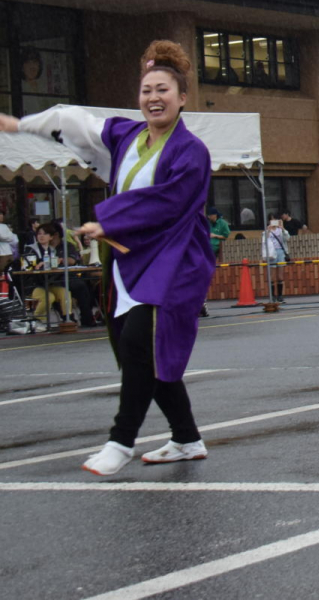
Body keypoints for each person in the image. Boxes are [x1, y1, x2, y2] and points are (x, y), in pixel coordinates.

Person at [0, 39, 216, 475]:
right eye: (146, 90)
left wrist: (111, 221)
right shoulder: (127, 135)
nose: (153, 98)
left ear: (182, 97)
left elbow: (170, 201)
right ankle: (186, 437)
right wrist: (22, 125)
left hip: (174, 261)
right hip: (130, 258)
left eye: (163, 90)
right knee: (142, 349)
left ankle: (121, 441)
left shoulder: (191, 151)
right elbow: (73, 121)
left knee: (141, 344)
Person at [23, 220, 96, 329]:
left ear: (52, 236)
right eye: (39, 234)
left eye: (45, 234)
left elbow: (70, 260)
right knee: (50, 296)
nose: (41, 236)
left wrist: (57, 261)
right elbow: (28, 266)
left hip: (55, 280)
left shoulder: (55, 249)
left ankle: (69, 317)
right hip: (38, 283)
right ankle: (37, 320)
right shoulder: (31, 249)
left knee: (65, 292)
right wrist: (39, 264)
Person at [262, 213, 290, 302]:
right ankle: (273, 296)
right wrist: (268, 230)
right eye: (272, 220)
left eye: (275, 220)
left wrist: (283, 228)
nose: (273, 222)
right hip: (271, 253)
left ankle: (280, 295)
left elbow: (287, 238)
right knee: (272, 275)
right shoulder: (267, 231)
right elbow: (264, 241)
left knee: (280, 276)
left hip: (280, 252)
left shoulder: (280, 230)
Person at [0, 209, 18, 274]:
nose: (1, 216)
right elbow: (2, 237)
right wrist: (7, 237)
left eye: (2, 214)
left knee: (11, 269)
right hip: (1, 253)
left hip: (9, 252)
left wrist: (7, 237)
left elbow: (12, 237)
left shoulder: (5, 226)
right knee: (2, 270)